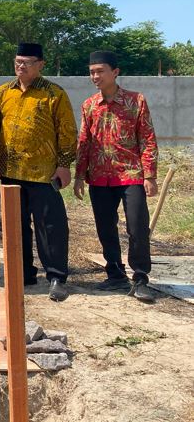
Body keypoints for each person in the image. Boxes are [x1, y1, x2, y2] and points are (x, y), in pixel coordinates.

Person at [0, 42, 77, 302]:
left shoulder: (54, 93)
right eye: (17, 61)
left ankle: (56, 277)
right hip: (10, 171)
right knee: (15, 226)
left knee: (50, 226)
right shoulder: (3, 92)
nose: (21, 66)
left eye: (27, 63)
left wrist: (64, 164)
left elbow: (67, 131)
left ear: (40, 65)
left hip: (44, 173)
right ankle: (23, 273)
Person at [74, 51, 158, 303]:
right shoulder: (89, 105)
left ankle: (140, 277)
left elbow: (147, 139)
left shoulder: (136, 101)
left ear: (115, 72)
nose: (95, 76)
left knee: (137, 226)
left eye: (100, 71)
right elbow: (84, 141)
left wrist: (150, 175)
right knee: (105, 227)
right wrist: (79, 176)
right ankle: (115, 274)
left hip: (131, 173)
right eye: (92, 72)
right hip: (99, 176)